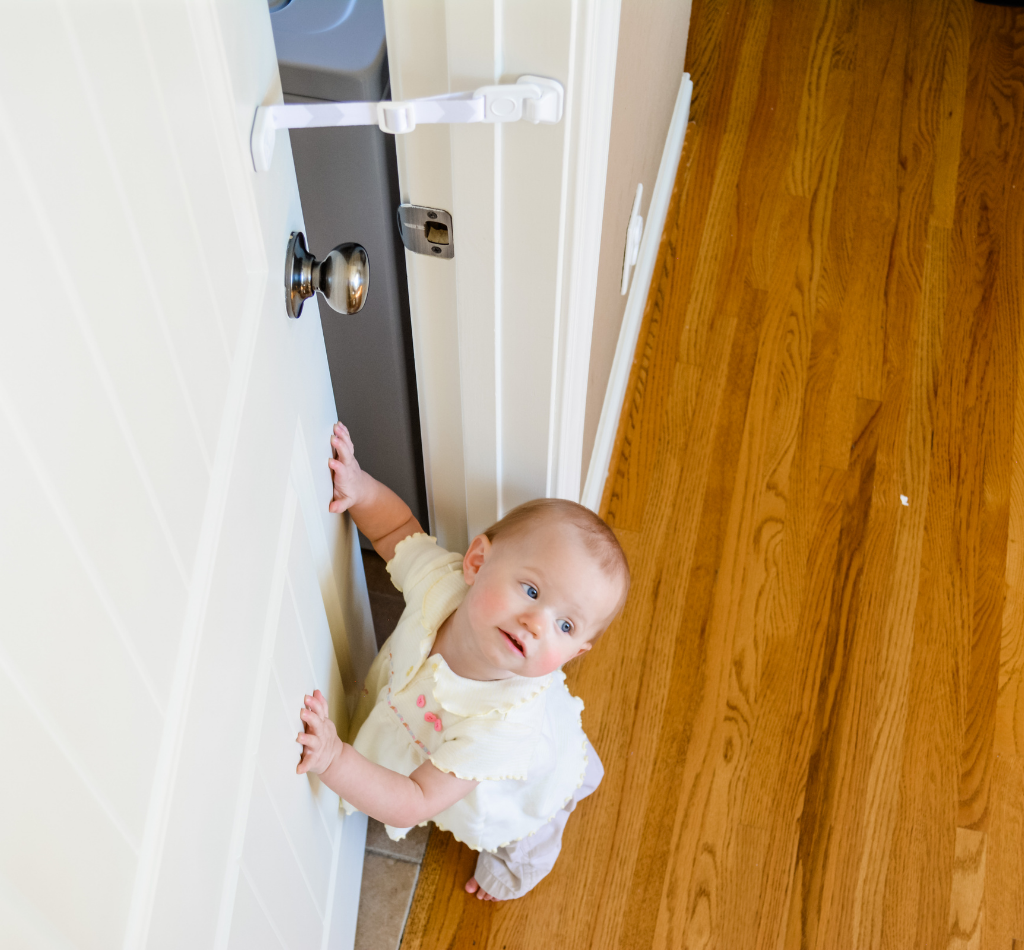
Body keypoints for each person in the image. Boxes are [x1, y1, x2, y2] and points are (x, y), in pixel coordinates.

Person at [295, 422, 629, 900]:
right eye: (531, 591)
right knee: (563, 754)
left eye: (566, 626)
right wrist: (359, 487)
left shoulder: (500, 728)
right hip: (448, 740)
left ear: (572, 656)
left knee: (531, 816)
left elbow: (414, 801)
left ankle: (523, 860)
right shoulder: (442, 585)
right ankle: (579, 765)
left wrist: (334, 758)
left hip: (506, 779)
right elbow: (394, 530)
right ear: (475, 563)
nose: (537, 623)